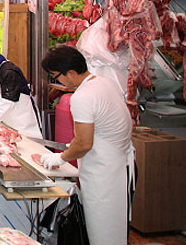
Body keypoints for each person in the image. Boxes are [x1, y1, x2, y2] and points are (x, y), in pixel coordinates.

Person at [39, 46, 134, 245]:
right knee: (115, 229)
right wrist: (70, 145)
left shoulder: (82, 97)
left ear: (71, 73)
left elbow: (84, 143)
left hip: (102, 172)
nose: (57, 82)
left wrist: (59, 157)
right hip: (117, 165)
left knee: (103, 232)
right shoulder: (102, 83)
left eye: (56, 76)